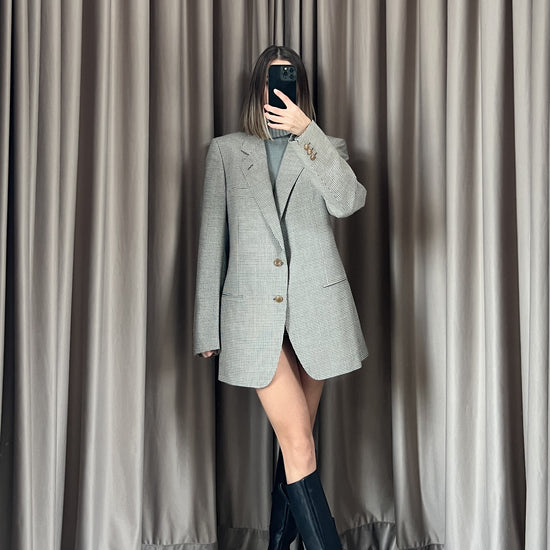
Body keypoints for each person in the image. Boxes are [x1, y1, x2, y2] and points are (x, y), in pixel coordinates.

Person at [193, 45, 368, 550]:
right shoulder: (225, 152)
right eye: (272, 81)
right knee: (299, 443)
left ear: (300, 91)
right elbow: (213, 240)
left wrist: (306, 131)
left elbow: (348, 202)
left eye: (288, 81)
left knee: (297, 444)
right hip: (252, 316)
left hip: (317, 310)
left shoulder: (323, 147)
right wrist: (206, 326)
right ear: (258, 89)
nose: (279, 90)